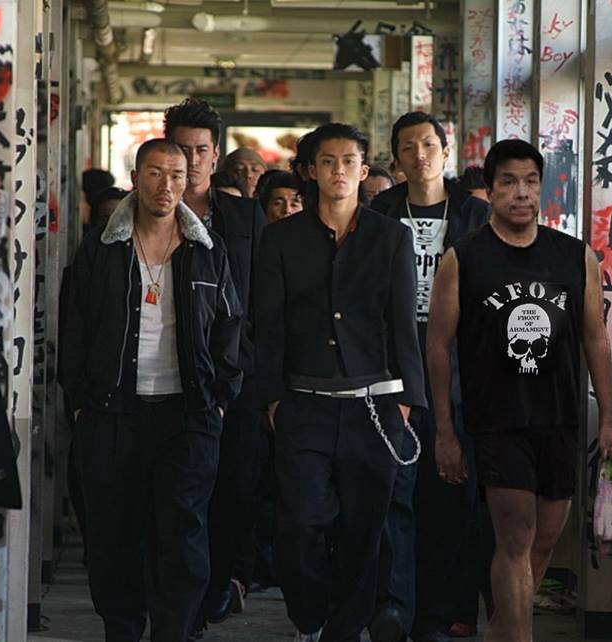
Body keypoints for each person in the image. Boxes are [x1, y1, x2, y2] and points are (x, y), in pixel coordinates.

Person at [426, 139, 612, 642]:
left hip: (560, 417)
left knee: (544, 540)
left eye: (531, 181)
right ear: (490, 191)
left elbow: (595, 337)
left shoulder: (574, 256)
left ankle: (501, 631)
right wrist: (445, 430)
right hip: (498, 419)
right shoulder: (463, 259)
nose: (522, 193)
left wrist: (608, 419)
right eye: (509, 182)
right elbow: (439, 345)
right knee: (515, 537)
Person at [60, 138, 243, 642]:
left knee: (182, 533)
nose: (167, 185)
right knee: (113, 535)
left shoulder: (207, 250)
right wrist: (80, 403)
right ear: (136, 178)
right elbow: (75, 328)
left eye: (177, 175)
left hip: (188, 413)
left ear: (190, 181)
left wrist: (219, 400)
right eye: (156, 173)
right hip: (111, 412)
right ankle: (121, 629)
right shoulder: (101, 248)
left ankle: (174, 631)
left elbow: (230, 327)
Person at [255, 123, 426, 642]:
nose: (339, 171)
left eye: (349, 161)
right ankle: (310, 615)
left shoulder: (391, 237)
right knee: (301, 521)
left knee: (364, 529)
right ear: (311, 171)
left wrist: (407, 401)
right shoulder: (281, 238)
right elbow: (268, 323)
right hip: (304, 402)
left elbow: (403, 322)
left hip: (374, 406)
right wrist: (272, 398)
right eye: (328, 161)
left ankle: (345, 629)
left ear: (364, 169)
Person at [368, 111, 490, 642]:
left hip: (458, 371)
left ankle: (436, 615)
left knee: (450, 497)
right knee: (393, 493)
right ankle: (394, 607)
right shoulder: (379, 211)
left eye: (428, 145)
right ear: (396, 157)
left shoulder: (474, 214)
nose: (419, 155)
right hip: (393, 368)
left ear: (445, 150)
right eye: (407, 147)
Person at [163, 98, 269, 627]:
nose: (192, 160)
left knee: (236, 486)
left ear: (216, 154)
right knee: (176, 493)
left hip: (239, 372)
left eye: (201, 150)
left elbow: (269, 296)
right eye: (182, 149)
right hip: (167, 372)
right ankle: (181, 600)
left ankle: (219, 583)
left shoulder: (245, 218)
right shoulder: (148, 215)